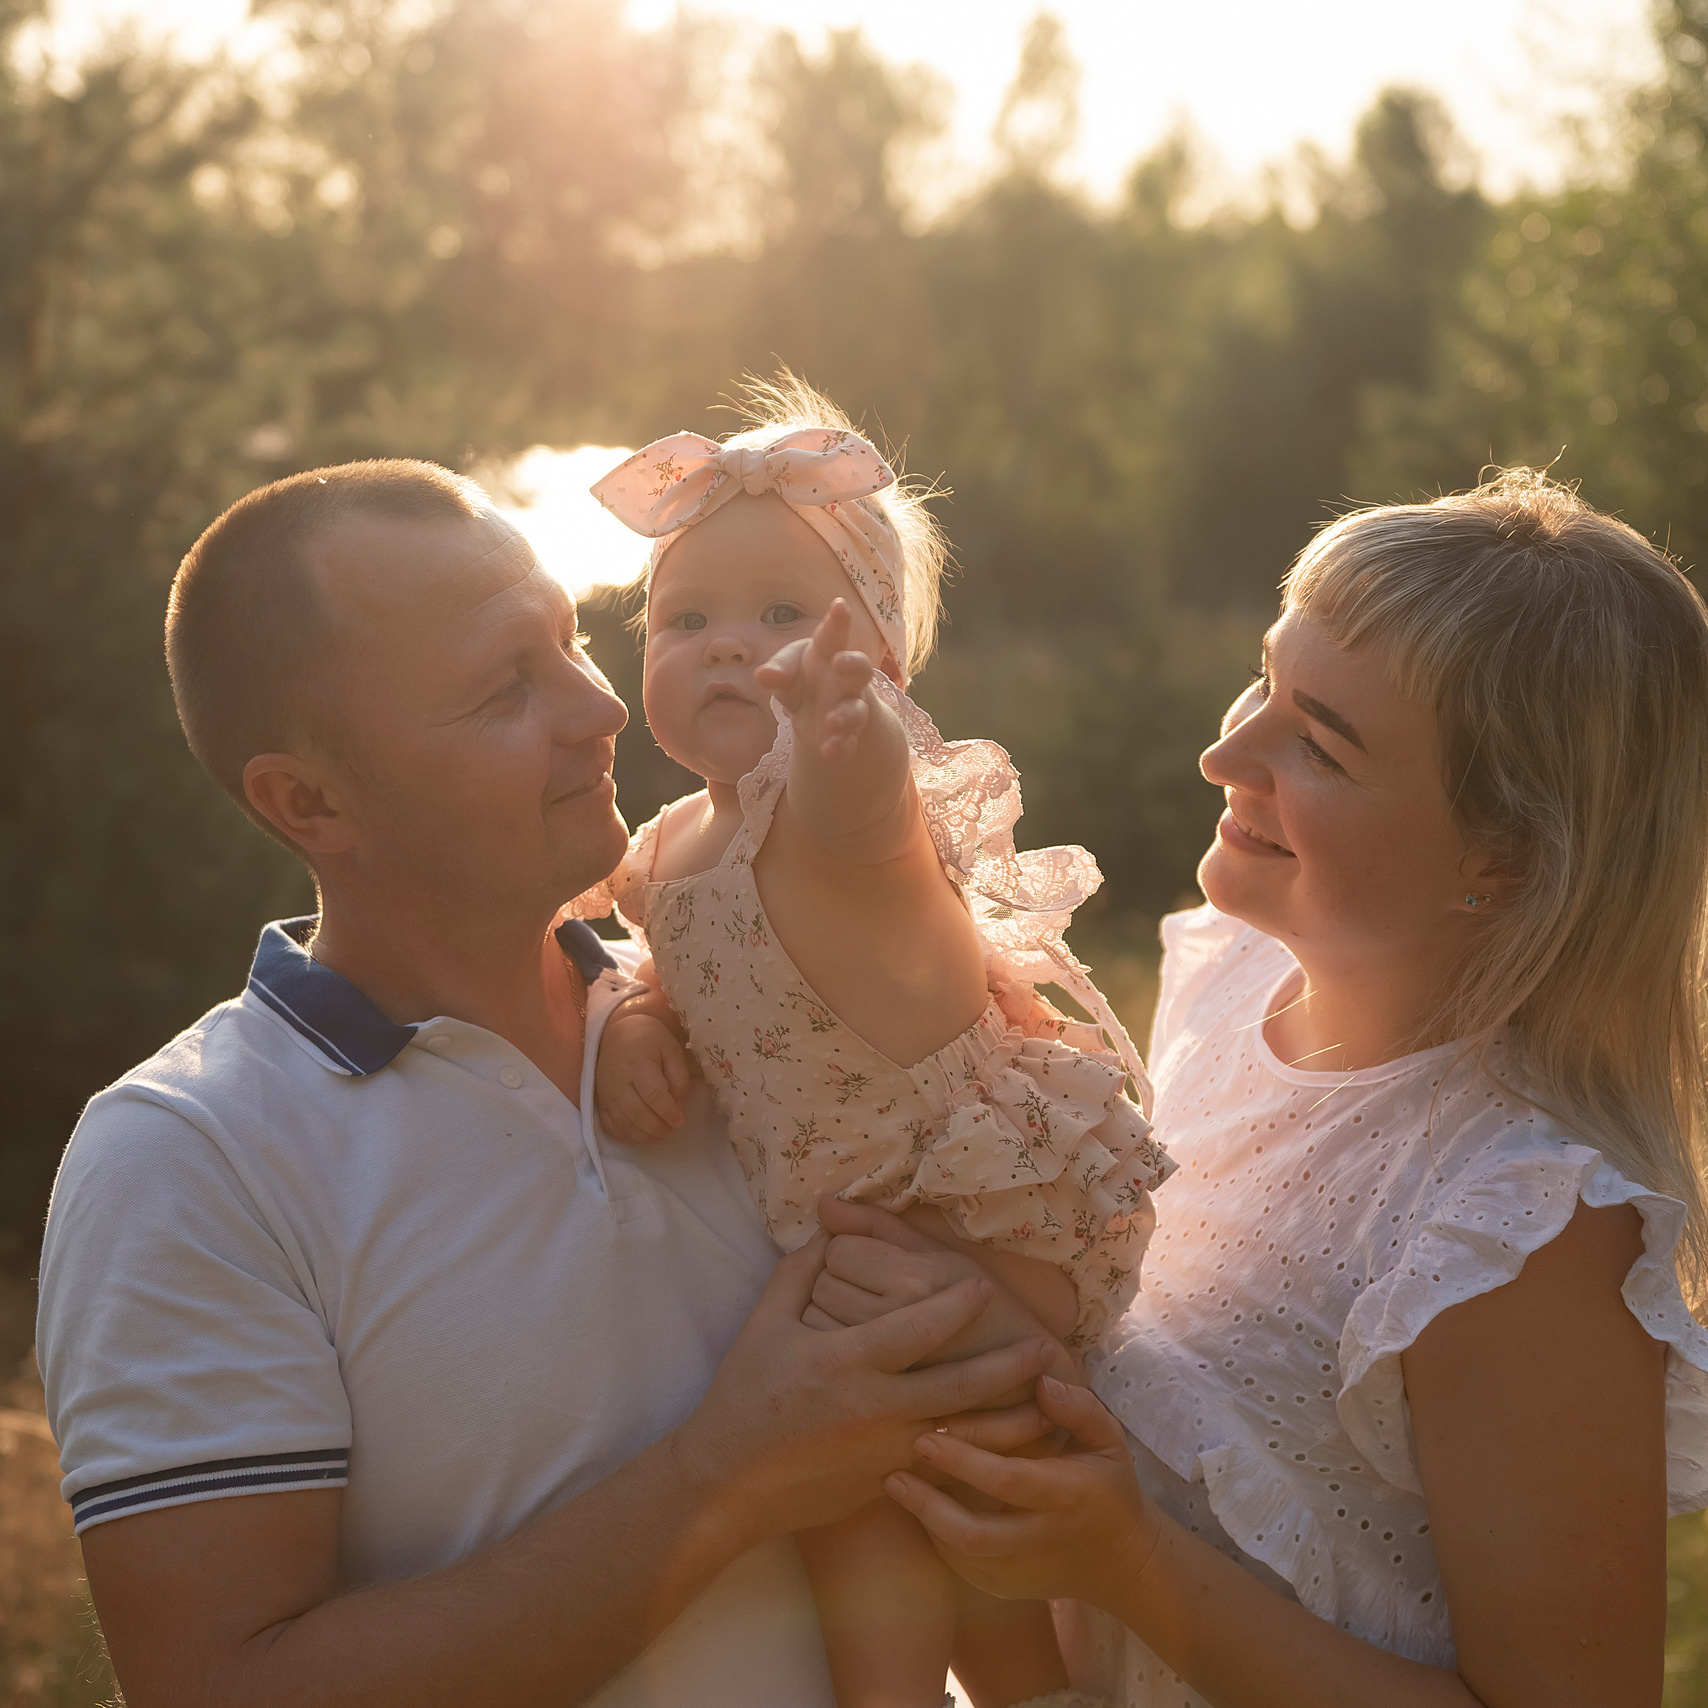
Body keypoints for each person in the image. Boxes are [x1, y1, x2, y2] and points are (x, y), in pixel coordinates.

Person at [32, 458, 1066, 1708]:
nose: (601, 707)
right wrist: (728, 1475)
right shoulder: (186, 1159)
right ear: (309, 800)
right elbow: (217, 1688)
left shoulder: (762, 1017)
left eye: (573, 641)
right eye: (503, 688)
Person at [883, 469, 1708, 1707]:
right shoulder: (1229, 980)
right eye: (1262, 681)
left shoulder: (1514, 1228)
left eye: (1318, 744)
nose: (1224, 752)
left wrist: (1130, 1564)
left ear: (1502, 858)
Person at [577, 377, 1174, 1708]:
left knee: (921, 1494)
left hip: (969, 1212)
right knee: (881, 1500)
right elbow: (665, 972)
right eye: (686, 620)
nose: (732, 649)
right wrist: (635, 1021)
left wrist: (838, 733)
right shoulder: (664, 848)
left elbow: (862, 825)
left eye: (784, 616)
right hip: (854, 1234)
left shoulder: (835, 802)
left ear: (881, 663)